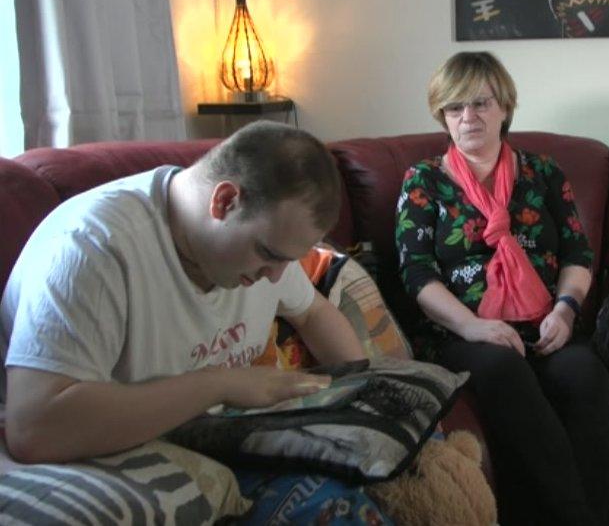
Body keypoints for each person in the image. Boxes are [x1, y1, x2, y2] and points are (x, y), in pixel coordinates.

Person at [1, 121, 365, 464]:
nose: (275, 277)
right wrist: (219, 384)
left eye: (290, 260)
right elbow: (32, 429)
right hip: (97, 456)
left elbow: (311, 313)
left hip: (212, 439)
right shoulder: (91, 247)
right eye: (269, 255)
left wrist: (366, 387)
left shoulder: (260, 246)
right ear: (224, 202)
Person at [394, 51, 609, 525]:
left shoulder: (544, 173)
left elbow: (578, 254)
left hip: (546, 323)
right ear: (443, 116)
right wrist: (474, 327)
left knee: (586, 373)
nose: (468, 117)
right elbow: (417, 275)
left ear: (504, 108)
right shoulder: (424, 181)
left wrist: (566, 310)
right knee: (502, 369)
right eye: (455, 108)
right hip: (461, 334)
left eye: (480, 103)